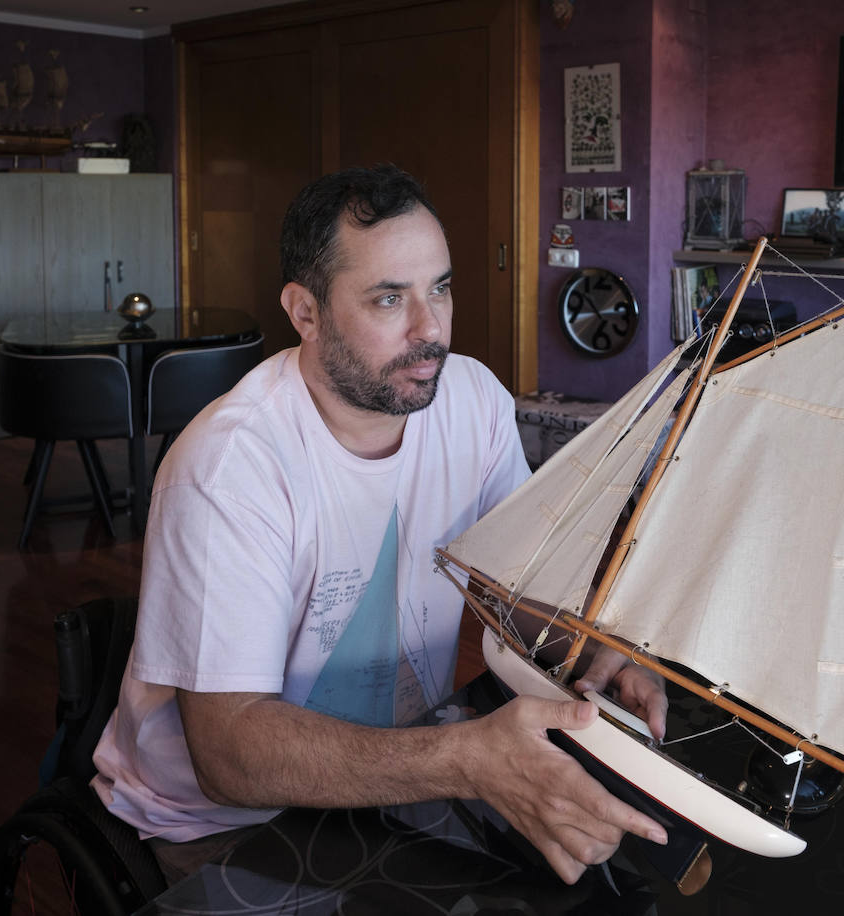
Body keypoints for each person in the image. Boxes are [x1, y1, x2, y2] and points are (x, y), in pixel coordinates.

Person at [92, 165, 702, 890]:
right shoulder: (231, 470)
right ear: (305, 312)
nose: (431, 329)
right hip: (221, 828)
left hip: (399, 775)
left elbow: (519, 584)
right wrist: (469, 759)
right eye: (389, 298)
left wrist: (595, 648)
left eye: (439, 287)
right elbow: (230, 760)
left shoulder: (471, 399)